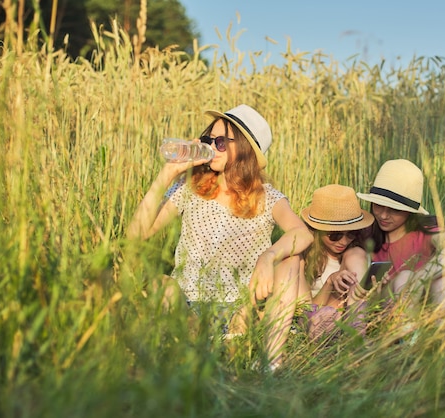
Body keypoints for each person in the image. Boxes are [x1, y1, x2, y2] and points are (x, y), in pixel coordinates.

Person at [126, 104, 313, 370]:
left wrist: (268, 256)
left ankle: (266, 364)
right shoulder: (189, 187)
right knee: (161, 285)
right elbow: (136, 235)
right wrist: (167, 174)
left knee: (291, 261)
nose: (212, 147)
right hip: (188, 303)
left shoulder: (268, 197)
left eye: (221, 142)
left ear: (245, 149)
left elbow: (302, 233)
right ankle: (195, 344)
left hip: (242, 307)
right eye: (208, 140)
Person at [355, 159, 445, 321]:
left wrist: (420, 278)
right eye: (378, 206)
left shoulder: (424, 230)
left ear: (409, 212)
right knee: (404, 277)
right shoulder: (367, 232)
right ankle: (405, 337)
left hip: (424, 300)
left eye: (394, 210)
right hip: (385, 303)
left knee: (442, 279)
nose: (383, 216)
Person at [297, 184, 374, 341]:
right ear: (317, 230)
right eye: (335, 235)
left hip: (352, 316)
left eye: (351, 233)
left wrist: (375, 289)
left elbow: (365, 300)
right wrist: (330, 283)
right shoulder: (303, 257)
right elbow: (305, 310)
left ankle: (357, 337)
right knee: (327, 315)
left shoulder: (356, 253)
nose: (344, 241)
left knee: (356, 254)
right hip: (319, 318)